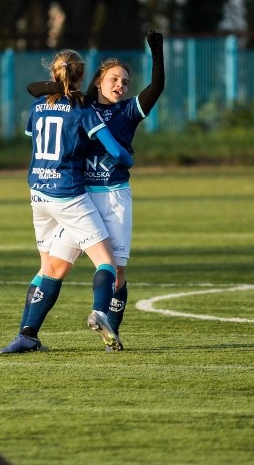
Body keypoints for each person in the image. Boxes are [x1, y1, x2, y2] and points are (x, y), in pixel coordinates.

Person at [19, 30, 165, 351]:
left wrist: (157, 52)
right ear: (97, 81)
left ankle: (110, 332)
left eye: (125, 82)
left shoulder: (128, 110)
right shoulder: (79, 104)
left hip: (112, 196)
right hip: (79, 196)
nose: (121, 85)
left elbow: (156, 88)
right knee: (58, 266)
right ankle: (27, 333)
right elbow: (50, 93)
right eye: (115, 79)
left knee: (118, 273)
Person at [0, 48, 135, 354]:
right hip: (68, 193)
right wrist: (128, 158)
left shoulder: (37, 105)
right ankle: (100, 312)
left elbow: (33, 134)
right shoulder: (82, 107)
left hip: (37, 193)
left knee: (50, 267)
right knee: (107, 262)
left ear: (55, 74)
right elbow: (115, 151)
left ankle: (27, 335)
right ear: (83, 76)